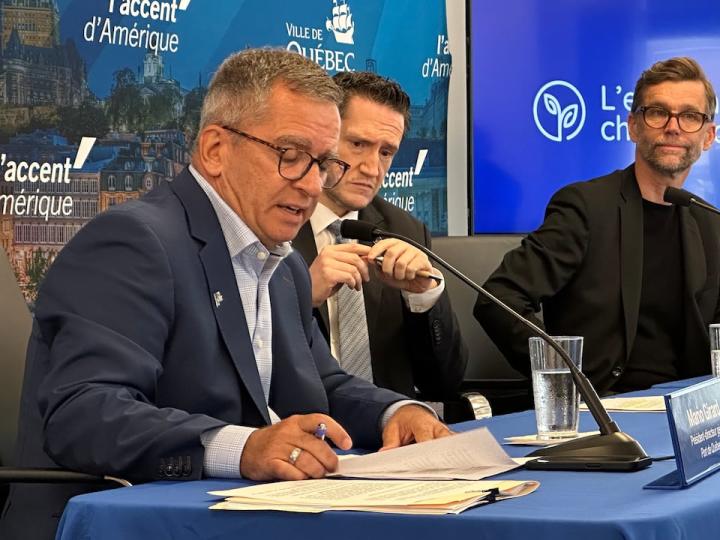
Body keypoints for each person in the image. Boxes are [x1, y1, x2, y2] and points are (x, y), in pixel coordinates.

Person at [0, 49, 449, 540]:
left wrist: (397, 411)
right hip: (126, 522)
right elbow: (84, 414)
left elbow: (324, 387)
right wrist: (243, 448)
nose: (311, 184)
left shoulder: (282, 265)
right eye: (291, 156)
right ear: (215, 149)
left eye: (323, 164)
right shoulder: (133, 242)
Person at [474, 57, 720, 395]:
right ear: (633, 126)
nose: (673, 127)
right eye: (658, 113)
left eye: (689, 117)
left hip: (692, 411)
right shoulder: (586, 207)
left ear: (708, 136)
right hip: (607, 408)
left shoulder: (709, 221)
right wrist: (563, 378)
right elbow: (499, 299)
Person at [292, 71, 466, 407]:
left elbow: (444, 383)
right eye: (358, 144)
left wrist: (425, 298)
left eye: (386, 152)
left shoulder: (405, 230)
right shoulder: (275, 222)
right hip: (299, 436)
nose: (372, 168)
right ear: (323, 137)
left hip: (388, 435)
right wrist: (302, 296)